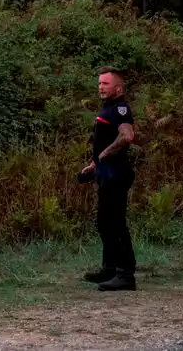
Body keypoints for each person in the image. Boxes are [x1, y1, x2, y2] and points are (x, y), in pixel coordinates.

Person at [80, 67, 138, 291]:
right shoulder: (109, 108)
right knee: (104, 222)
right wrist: (95, 163)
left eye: (106, 83)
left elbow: (127, 136)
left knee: (115, 222)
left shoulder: (121, 109)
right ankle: (110, 269)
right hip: (105, 173)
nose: (101, 87)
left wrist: (105, 154)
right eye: (99, 83)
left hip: (117, 173)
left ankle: (126, 274)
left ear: (118, 88)